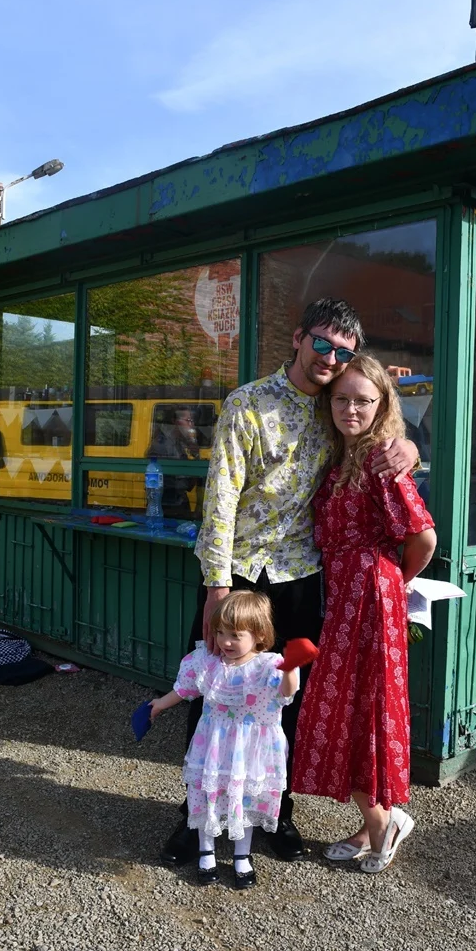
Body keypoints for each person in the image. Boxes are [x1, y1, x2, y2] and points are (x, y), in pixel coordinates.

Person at [161, 298, 419, 866]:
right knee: (213, 695)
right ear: (299, 338)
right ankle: (194, 817)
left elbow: (376, 421)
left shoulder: (335, 404)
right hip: (239, 574)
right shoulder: (248, 403)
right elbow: (221, 499)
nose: (330, 358)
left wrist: (409, 446)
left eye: (343, 351)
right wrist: (217, 586)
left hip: (301, 577)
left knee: (288, 702)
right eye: (322, 343)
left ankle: (275, 812)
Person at [292, 354, 436, 874]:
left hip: (371, 601)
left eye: (363, 400)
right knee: (346, 709)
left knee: (360, 711)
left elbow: (423, 538)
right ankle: (379, 819)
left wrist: (393, 582)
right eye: (342, 398)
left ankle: (382, 826)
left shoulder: (380, 460)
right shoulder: (341, 456)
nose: (350, 409)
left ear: (382, 404)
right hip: (342, 599)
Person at [149, 590, 312, 889]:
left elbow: (287, 693)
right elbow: (185, 689)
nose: (225, 642)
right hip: (213, 746)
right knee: (206, 795)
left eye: (235, 635)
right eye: (220, 632)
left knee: (244, 799)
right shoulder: (209, 663)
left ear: (259, 634)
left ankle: (241, 855)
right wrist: (161, 703)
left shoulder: (269, 666)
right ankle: (206, 851)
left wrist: (291, 666)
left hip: (249, 751)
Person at [146, 407, 199, 518]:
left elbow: (189, 483)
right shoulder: (162, 443)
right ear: (175, 422)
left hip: (180, 500)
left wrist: (196, 455)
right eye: (187, 420)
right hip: (167, 503)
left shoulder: (181, 443)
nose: (191, 425)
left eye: (192, 421)